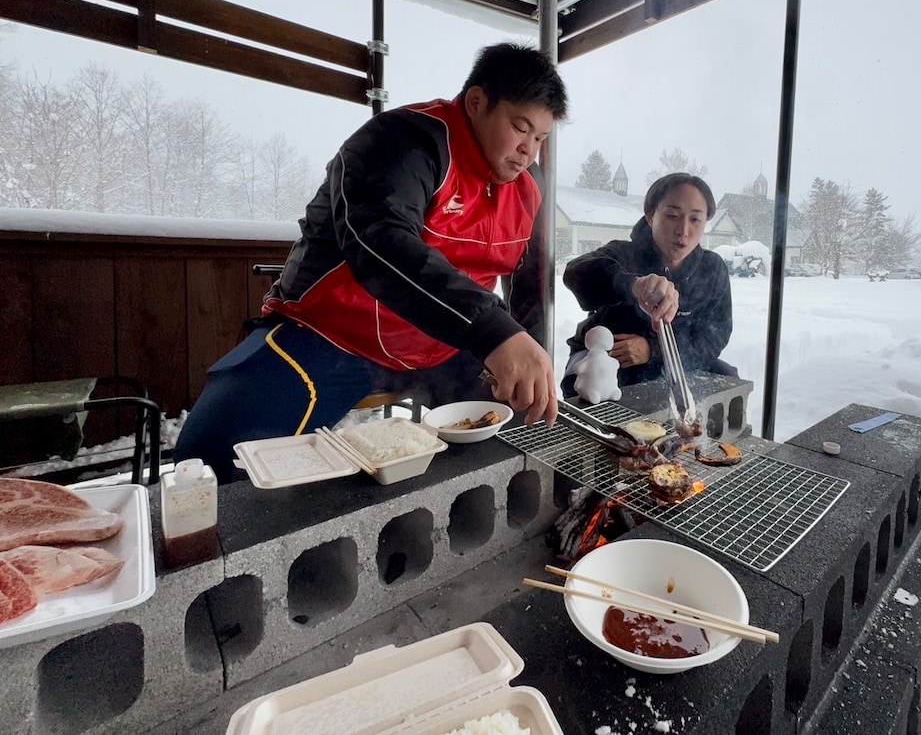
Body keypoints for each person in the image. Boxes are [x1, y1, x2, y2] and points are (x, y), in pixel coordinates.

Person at [174, 43, 568, 481]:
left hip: (443, 345)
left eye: (541, 139)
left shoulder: (529, 185)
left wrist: (530, 356)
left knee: (515, 434)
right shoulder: (403, 141)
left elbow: (529, 282)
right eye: (520, 128)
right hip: (336, 334)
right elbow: (380, 242)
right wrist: (495, 331)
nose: (528, 151)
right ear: (476, 103)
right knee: (212, 453)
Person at [561, 173, 735, 399]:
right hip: (608, 362)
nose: (683, 230)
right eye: (672, 215)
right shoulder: (623, 253)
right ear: (651, 216)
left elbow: (714, 337)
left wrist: (652, 349)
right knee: (595, 380)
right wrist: (633, 285)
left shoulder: (712, 269)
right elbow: (575, 272)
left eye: (695, 219)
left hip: (670, 363)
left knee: (726, 378)